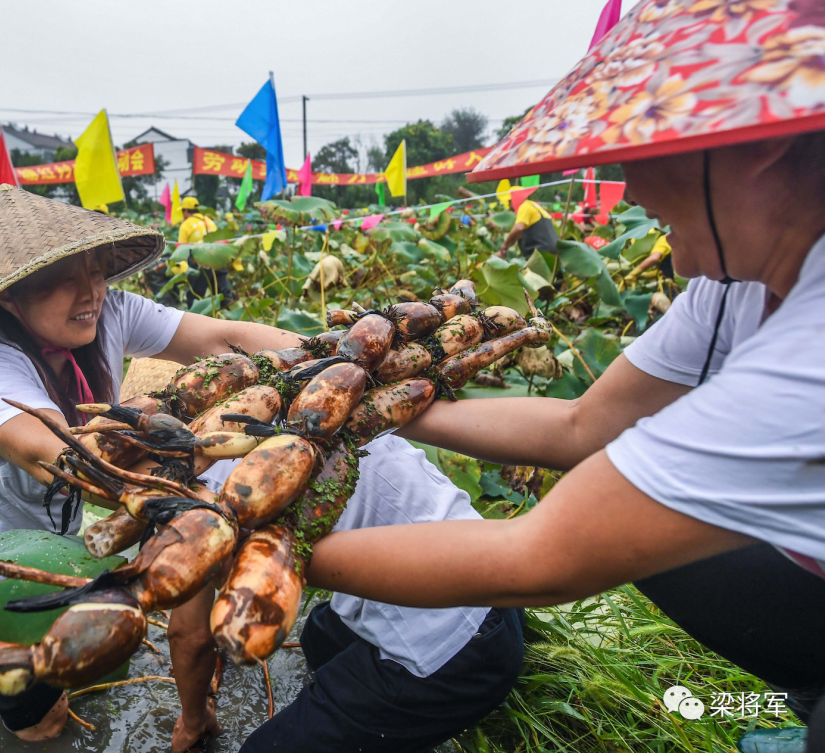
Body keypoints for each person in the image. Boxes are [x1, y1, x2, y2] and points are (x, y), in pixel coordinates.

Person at [306, 2, 825, 748]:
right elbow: (583, 425)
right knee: (655, 544)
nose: (625, 182)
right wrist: (375, 406)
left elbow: (541, 556)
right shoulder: (732, 282)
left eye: (636, 142)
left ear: (758, 139)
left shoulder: (812, 345)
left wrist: (267, 547)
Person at [0, 184, 301, 740]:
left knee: (80, 656)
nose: (90, 293)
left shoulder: (107, 310)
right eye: (63, 279)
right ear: (8, 295)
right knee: (37, 716)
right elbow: (61, 454)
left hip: (54, 541)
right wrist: (198, 450)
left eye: (97, 271)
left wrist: (318, 354)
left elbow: (222, 338)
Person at [172, 436, 523, 753]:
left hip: (462, 648)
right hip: (495, 580)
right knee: (318, 637)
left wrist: (193, 720)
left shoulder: (194, 501)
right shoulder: (303, 392)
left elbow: (190, 637)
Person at [177, 196, 231, 301]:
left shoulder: (186, 224)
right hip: (218, 259)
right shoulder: (209, 221)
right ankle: (227, 314)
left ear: (186, 210)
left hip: (200, 262)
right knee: (222, 294)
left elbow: (181, 248)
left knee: (195, 296)